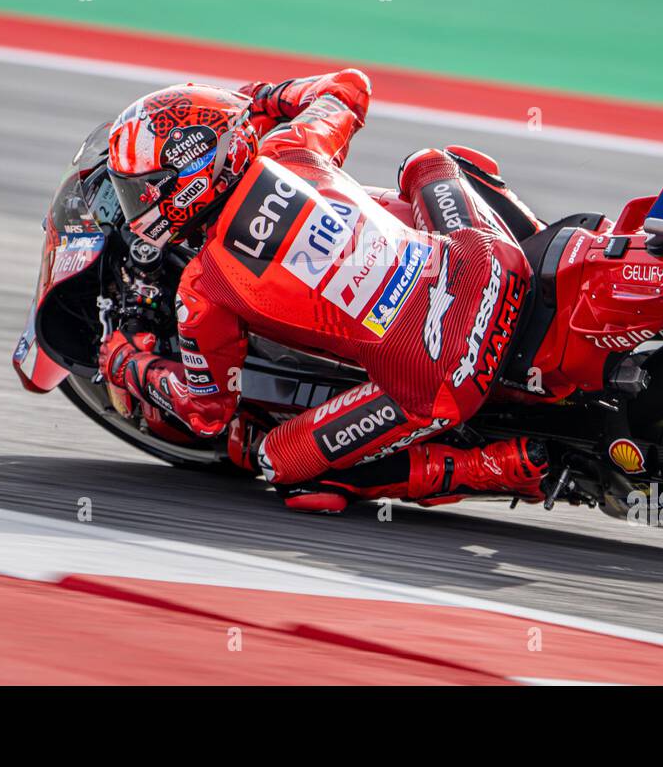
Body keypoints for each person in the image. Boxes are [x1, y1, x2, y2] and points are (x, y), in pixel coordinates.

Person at [100, 70, 551, 512]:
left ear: (182, 187)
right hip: (490, 263)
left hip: (442, 377)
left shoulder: (202, 288)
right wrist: (262, 101)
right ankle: (542, 245)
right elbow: (349, 87)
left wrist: (127, 363)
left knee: (280, 465)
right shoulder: (289, 146)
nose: (136, 203)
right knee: (428, 162)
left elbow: (207, 413)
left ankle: (485, 465)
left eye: (138, 191)